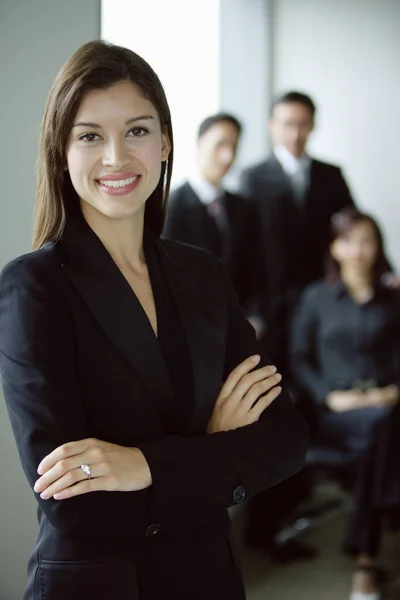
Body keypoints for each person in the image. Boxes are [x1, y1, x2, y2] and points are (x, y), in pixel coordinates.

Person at [0, 40, 308, 600]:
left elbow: (284, 441)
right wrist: (212, 446)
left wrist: (142, 464)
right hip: (99, 585)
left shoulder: (203, 275)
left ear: (165, 142)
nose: (116, 156)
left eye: (137, 131)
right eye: (90, 135)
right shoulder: (34, 287)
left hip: (208, 577)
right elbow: (73, 505)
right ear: (60, 151)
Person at [290, 207, 400, 600]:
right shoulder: (316, 298)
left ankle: (365, 563)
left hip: (386, 404)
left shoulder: (392, 298)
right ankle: (369, 556)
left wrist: (393, 391)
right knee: (384, 432)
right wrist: (328, 396)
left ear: (378, 246)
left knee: (382, 431)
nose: (359, 249)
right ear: (335, 247)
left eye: (367, 239)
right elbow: (299, 358)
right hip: (336, 412)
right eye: (349, 240)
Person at [239, 91, 355, 368]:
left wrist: (385, 273)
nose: (295, 133)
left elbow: (353, 229)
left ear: (313, 125)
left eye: (303, 124)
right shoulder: (252, 178)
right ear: (272, 126)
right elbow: (244, 246)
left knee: (318, 365)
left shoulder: (331, 175)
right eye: (288, 124)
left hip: (320, 292)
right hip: (270, 298)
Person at [163, 113, 262, 324]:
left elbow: (254, 269)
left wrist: (255, 317)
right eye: (220, 145)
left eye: (233, 147)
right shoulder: (171, 206)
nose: (227, 156)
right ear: (199, 144)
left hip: (239, 323)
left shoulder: (243, 207)